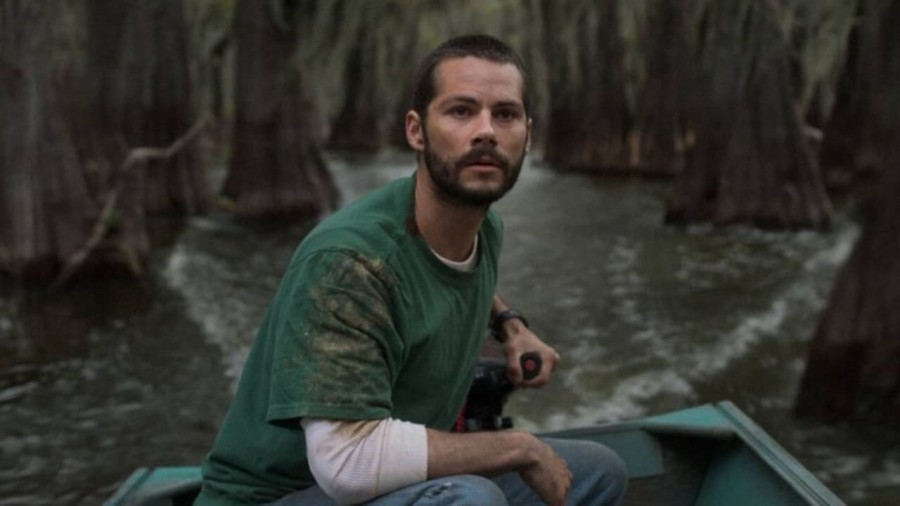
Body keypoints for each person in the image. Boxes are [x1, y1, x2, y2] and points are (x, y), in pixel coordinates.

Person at [195, 34, 627, 506]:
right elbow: (347, 463)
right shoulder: (349, 263)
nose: (485, 131)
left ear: (528, 135)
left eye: (504, 114)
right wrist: (518, 447)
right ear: (416, 131)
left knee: (598, 472)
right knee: (470, 499)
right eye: (461, 111)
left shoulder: (484, 229)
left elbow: (448, 274)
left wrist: (510, 325)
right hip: (283, 494)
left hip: (388, 485)